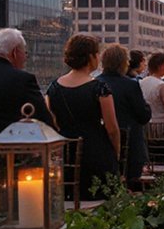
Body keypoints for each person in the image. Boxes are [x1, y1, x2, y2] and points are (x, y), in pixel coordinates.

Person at [46, 34, 120, 199]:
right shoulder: (99, 88)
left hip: (66, 151)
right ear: (91, 57)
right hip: (95, 149)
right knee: (100, 198)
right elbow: (112, 128)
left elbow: (52, 122)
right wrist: (116, 152)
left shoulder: (53, 88)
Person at [98, 44, 151, 186]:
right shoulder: (130, 85)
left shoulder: (95, 83)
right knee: (131, 184)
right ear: (123, 63)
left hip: (102, 143)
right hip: (131, 143)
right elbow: (143, 115)